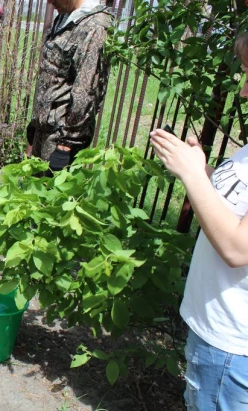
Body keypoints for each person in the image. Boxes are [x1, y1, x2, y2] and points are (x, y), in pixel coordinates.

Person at [150, 34, 248, 410]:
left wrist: (193, 177)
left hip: (232, 354)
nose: (242, 93)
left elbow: (238, 248)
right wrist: (202, 170)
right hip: (215, 340)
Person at [26, 0, 112, 172]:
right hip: (45, 127)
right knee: (32, 191)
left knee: (53, 193)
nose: (50, 2)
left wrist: (66, 144)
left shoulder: (94, 27)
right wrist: (35, 123)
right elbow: (53, 76)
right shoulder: (66, 17)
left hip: (61, 136)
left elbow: (87, 91)